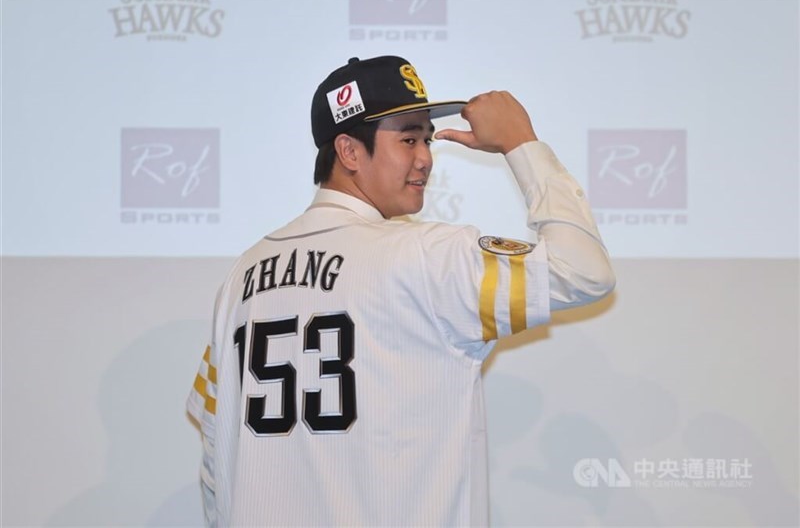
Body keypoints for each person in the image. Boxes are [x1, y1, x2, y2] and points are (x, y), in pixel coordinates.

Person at [187, 55, 615, 527]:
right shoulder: (428, 255)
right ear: (349, 152)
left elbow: (214, 456)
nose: (427, 157)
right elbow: (583, 271)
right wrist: (522, 145)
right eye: (408, 138)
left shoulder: (240, 278)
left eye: (427, 140)